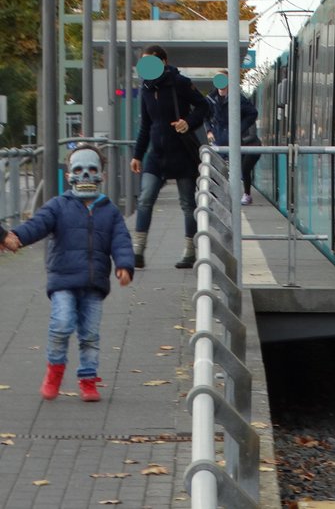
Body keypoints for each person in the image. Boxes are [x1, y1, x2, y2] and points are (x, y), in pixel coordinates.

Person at [4, 148, 134, 402]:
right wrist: (16, 237)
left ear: (102, 176)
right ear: (69, 176)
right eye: (78, 170)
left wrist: (125, 265)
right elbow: (37, 225)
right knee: (62, 324)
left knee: (89, 334)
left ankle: (88, 379)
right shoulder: (58, 206)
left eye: (92, 170)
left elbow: (121, 241)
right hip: (63, 279)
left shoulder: (110, 212)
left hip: (94, 283)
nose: (85, 175)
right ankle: (54, 371)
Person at [130, 44, 208, 269]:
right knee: (145, 199)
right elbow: (146, 124)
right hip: (156, 156)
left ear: (163, 62)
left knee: (187, 203)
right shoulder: (145, 88)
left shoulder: (180, 83)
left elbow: (203, 107)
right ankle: (138, 251)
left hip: (182, 153)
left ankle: (190, 252)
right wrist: (137, 155)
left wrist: (188, 122)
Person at [205, 70, 261, 206]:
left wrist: (239, 128)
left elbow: (252, 113)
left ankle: (246, 194)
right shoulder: (210, 99)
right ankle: (217, 197)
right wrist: (209, 131)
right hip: (218, 140)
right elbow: (205, 115)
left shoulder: (238, 98)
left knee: (240, 169)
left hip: (234, 140)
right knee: (217, 169)